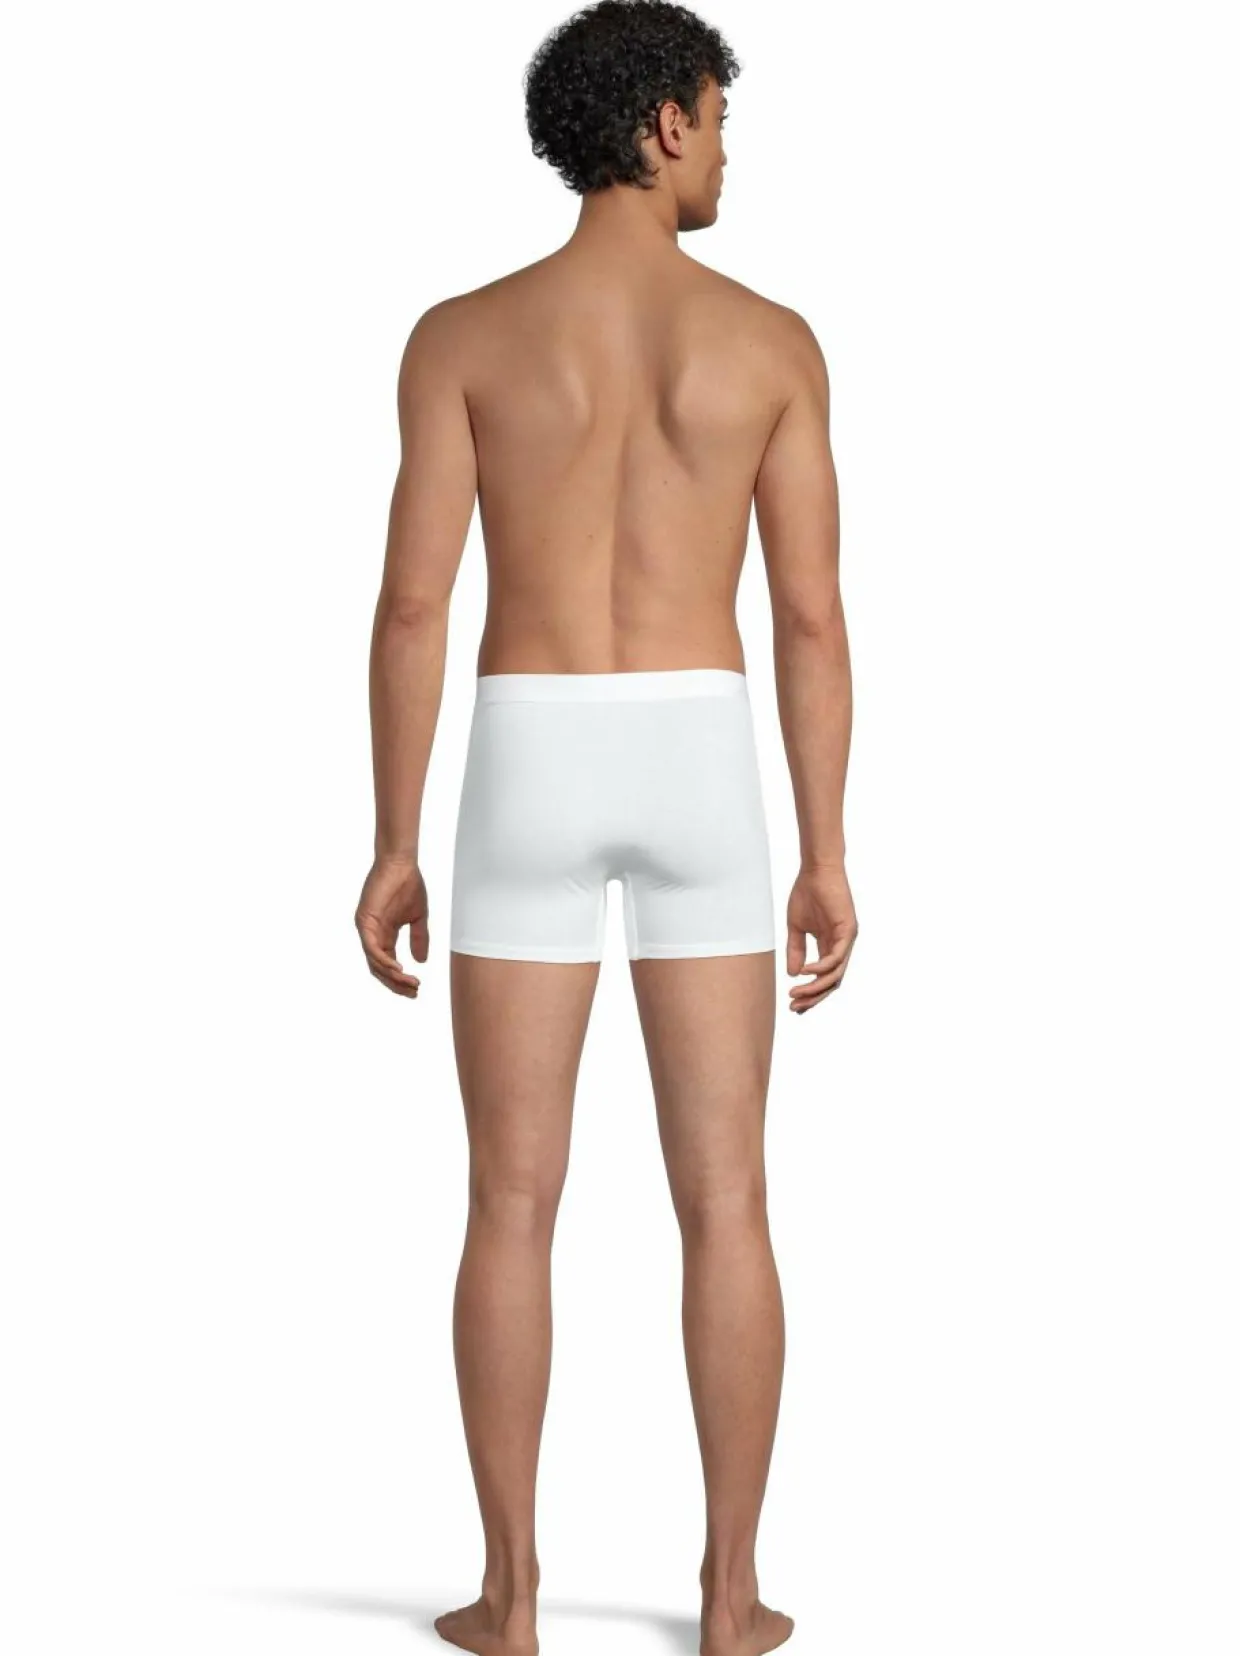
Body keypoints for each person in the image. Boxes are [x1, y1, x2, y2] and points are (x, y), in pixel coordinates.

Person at [354, 3, 857, 1651]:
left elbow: (414, 607)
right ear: (661, 122)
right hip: (701, 753)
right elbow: (809, 621)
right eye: (717, 118)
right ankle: (729, 1599)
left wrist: (394, 838)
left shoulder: (463, 338)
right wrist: (825, 850)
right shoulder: (770, 344)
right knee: (729, 1199)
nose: (726, 153)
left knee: (510, 1198)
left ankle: (509, 1601)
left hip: (530, 748)